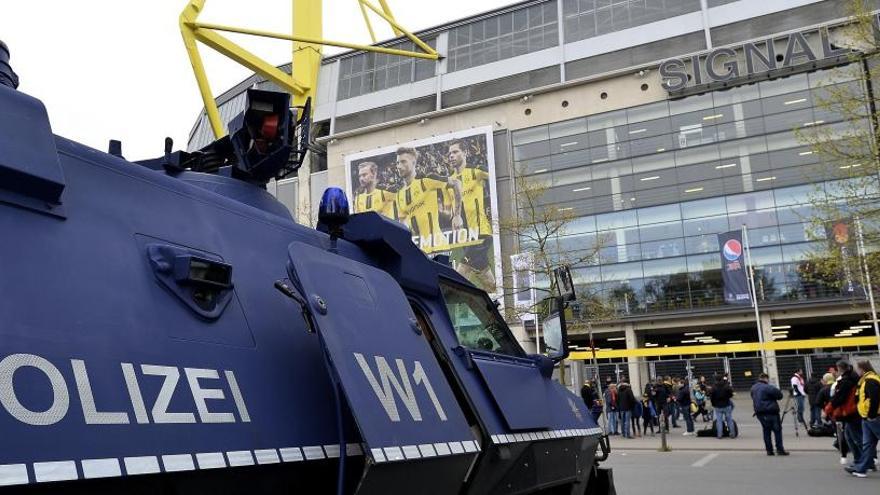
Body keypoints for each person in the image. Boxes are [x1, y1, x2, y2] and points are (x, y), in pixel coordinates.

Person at [446, 140, 495, 291]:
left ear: (465, 153)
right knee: (484, 272)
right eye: (450, 154)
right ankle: (495, 293)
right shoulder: (450, 182)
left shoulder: (476, 171)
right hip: (466, 237)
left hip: (481, 232)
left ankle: (451, 298)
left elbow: (497, 175)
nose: (451, 156)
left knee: (462, 269)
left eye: (455, 152)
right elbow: (454, 208)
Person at [393, 147, 463, 253]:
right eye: (397, 163)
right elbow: (403, 225)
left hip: (439, 249)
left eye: (403, 162)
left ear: (413, 162)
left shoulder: (426, 180)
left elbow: (456, 183)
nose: (399, 166)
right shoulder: (399, 195)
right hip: (420, 253)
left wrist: (457, 215)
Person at [848, 360, 880, 478]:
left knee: (868, 444)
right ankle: (861, 469)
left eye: (857, 368)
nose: (856, 371)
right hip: (867, 417)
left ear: (862, 369)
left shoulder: (870, 380)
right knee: (867, 444)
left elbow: (875, 399)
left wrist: (871, 415)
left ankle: (862, 468)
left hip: (873, 417)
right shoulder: (866, 380)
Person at [831, 360, 864, 470]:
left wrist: (830, 407)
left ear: (840, 368)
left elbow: (839, 397)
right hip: (852, 412)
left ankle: (864, 461)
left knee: (857, 438)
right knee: (850, 437)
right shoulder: (852, 377)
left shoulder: (846, 380)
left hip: (851, 412)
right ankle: (860, 460)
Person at [751, 373, 789, 456]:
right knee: (777, 430)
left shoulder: (753, 387)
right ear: (766, 379)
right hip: (771, 412)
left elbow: (753, 398)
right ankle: (780, 449)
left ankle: (769, 450)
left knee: (766, 431)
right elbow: (779, 396)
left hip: (759, 412)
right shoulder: (768, 387)